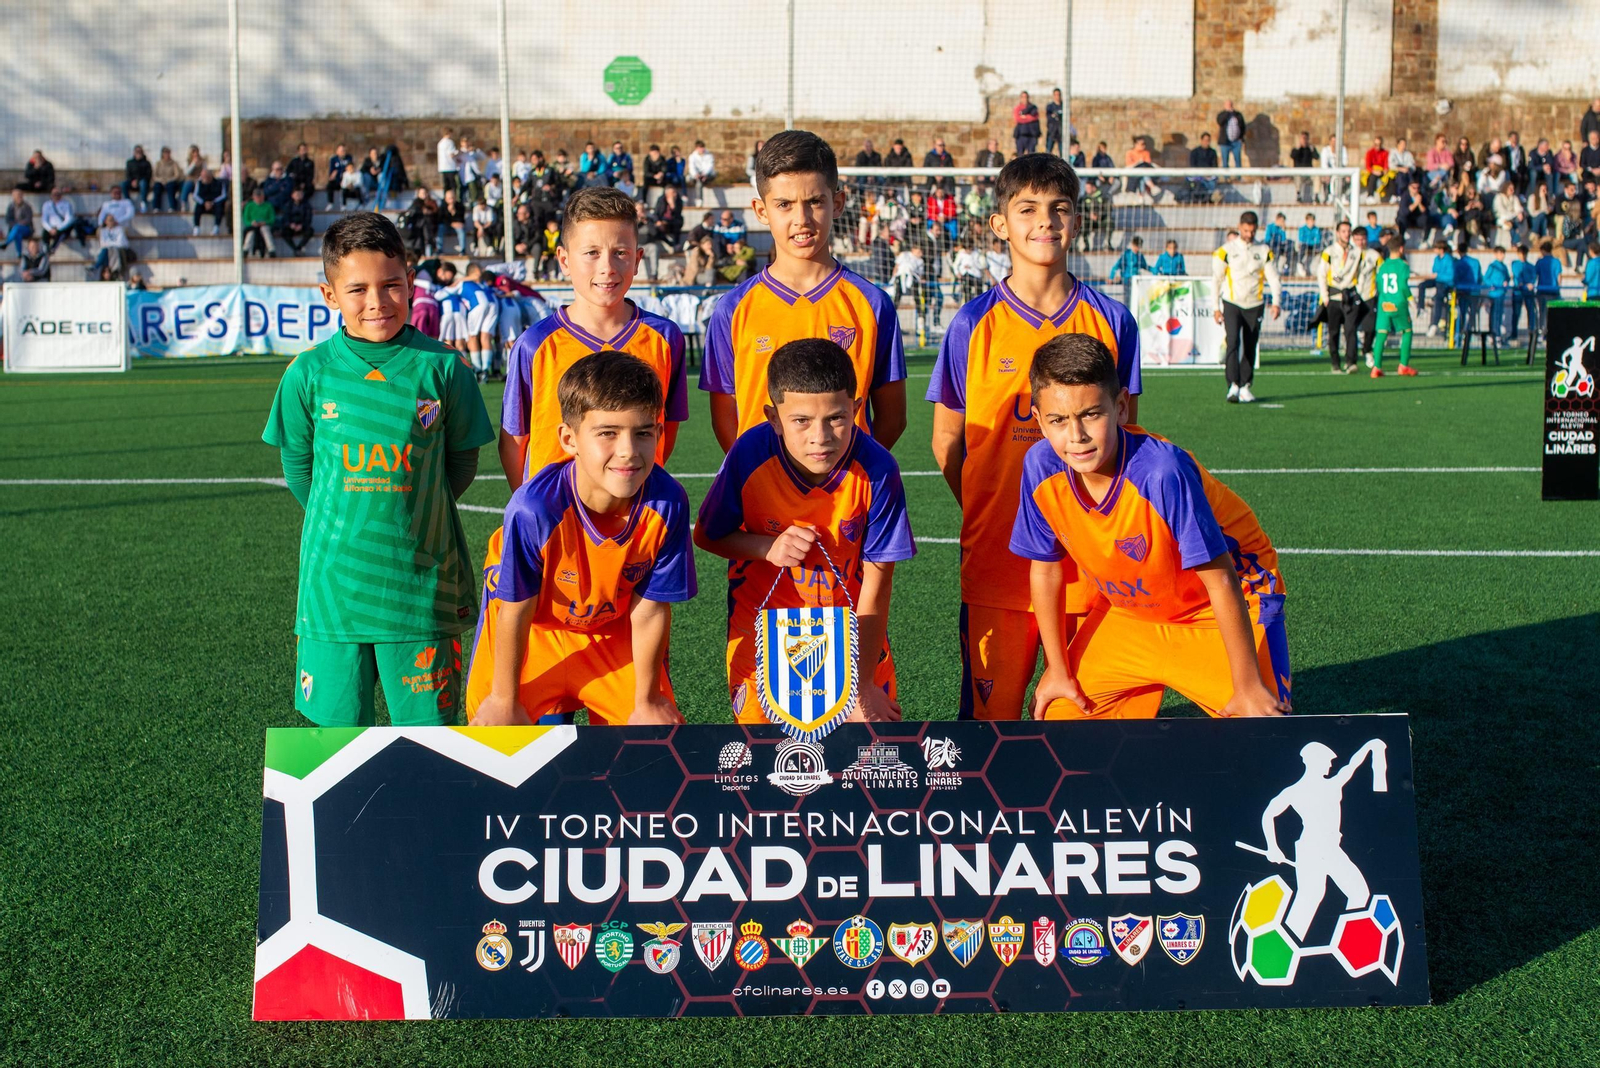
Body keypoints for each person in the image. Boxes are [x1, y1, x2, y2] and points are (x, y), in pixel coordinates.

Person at [927, 153, 1141, 721]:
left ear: (1076, 221)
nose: (1044, 221)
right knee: (987, 729)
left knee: (1080, 725)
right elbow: (947, 441)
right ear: (1000, 224)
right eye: (1027, 209)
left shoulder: (1112, 320)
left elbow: (1127, 438)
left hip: (1089, 569)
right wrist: (998, 509)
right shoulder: (973, 324)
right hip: (998, 563)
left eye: (1059, 209)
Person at [261, 213, 494, 727]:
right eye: (358, 289)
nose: (377, 302)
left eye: (391, 286)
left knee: (431, 746)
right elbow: (300, 471)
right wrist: (353, 517)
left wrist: (413, 510)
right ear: (329, 294)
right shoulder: (309, 372)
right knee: (335, 744)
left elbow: (462, 461)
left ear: (410, 281)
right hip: (333, 593)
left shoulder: (444, 367)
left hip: (419, 591)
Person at [1013, 333, 1290, 720]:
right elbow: (1045, 570)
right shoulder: (1040, 468)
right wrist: (1057, 670)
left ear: (1121, 406)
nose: (1075, 436)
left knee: (1263, 731)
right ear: (1039, 421)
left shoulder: (1163, 472)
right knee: (1063, 716)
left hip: (1222, 606)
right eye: (1059, 420)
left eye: (1091, 414)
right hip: (1133, 612)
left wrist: (1247, 688)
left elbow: (1221, 580)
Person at [469, 351, 694, 727]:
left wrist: (648, 699)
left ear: (658, 433)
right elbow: (516, 609)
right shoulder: (534, 509)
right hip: (534, 636)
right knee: (498, 739)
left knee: (653, 739)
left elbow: (650, 609)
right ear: (569, 439)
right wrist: (504, 699)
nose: (628, 451)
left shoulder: (667, 503)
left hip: (610, 635)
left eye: (642, 433)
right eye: (608, 433)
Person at [695, 338, 913, 725]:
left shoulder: (879, 469)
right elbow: (708, 535)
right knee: (765, 761)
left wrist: (861, 686)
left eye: (836, 417)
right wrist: (766, 547)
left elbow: (878, 587)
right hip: (762, 626)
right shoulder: (749, 454)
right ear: (773, 418)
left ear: (857, 410)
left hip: (849, 628)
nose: (820, 436)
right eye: (800, 421)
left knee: (868, 755)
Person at [701, 130, 907, 453]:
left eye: (815, 202)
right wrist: (756, 474)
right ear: (761, 211)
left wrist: (847, 465)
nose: (802, 219)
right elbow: (725, 418)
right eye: (784, 204)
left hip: (845, 499)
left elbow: (893, 418)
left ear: (837, 203)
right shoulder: (733, 309)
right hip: (762, 498)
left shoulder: (872, 305)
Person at [498, 187, 688, 492]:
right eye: (592, 253)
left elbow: (666, 430)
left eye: (620, 253)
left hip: (638, 514)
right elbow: (514, 442)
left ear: (638, 259)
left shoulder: (665, 339)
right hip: (557, 516)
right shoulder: (535, 344)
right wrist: (529, 505)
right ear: (564, 259)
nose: (607, 268)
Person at [1211, 211, 1282, 402]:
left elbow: (1273, 278)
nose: (1249, 234)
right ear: (1240, 226)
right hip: (1232, 303)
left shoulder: (1264, 251)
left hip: (1255, 304)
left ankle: (1245, 385)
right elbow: (1216, 280)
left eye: (1252, 231)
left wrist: (1276, 302)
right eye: (1245, 230)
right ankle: (1232, 385)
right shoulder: (1226, 250)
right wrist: (1215, 307)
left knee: (1251, 345)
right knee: (1232, 342)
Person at [1370, 236, 1422, 377]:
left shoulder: (1382, 266)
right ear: (1401, 248)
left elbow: (1378, 285)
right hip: (1398, 303)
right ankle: (1403, 366)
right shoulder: (1403, 265)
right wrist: (1412, 302)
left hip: (1384, 304)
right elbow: (1403, 286)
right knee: (1407, 331)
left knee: (1381, 334)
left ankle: (1376, 367)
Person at [1318, 220, 1364, 373]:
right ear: (1337, 233)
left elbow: (1361, 273)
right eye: (1343, 231)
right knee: (1334, 332)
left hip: (1350, 296)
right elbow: (1322, 273)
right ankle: (1335, 362)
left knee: (1351, 330)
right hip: (1334, 296)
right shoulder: (1329, 252)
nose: (1346, 234)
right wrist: (1325, 295)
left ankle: (1351, 362)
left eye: (1348, 231)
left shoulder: (1356, 252)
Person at [1108, 236, 1150, 306]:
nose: (1137, 248)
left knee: (1136, 297)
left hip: (1136, 280)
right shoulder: (1126, 254)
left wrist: (1156, 271)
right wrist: (1111, 277)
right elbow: (1117, 266)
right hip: (1127, 279)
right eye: (1136, 246)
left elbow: (1145, 266)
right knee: (1127, 298)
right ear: (1132, 245)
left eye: (1139, 247)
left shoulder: (1140, 256)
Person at [1507, 244, 1537, 342]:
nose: (1522, 256)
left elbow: (1533, 277)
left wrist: (1531, 284)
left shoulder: (1531, 266)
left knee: (1531, 312)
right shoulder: (1515, 264)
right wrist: (1523, 283)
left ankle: (1531, 332)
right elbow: (1517, 275)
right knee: (1516, 313)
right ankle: (1514, 334)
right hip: (1518, 292)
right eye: (1520, 254)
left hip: (1528, 292)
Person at [1534, 237, 1562, 338]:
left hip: (1542, 290)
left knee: (1542, 312)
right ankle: (1552, 331)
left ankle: (1543, 332)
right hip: (1554, 290)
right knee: (1553, 313)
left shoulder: (1540, 262)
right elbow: (1559, 277)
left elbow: (1535, 275)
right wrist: (1558, 288)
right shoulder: (1557, 261)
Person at [1483, 245, 1511, 341]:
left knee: (1498, 314)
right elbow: (1486, 278)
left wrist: (1506, 282)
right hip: (1494, 294)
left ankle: (1496, 333)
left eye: (1503, 253)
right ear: (1495, 254)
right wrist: (1492, 285)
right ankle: (1494, 333)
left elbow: (1507, 277)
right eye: (1500, 253)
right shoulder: (1493, 266)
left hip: (1501, 293)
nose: (1502, 255)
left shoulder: (1504, 266)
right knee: (1494, 314)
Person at [275, 187, 315, 254]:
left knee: (310, 231)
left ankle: (299, 247)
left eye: (300, 194)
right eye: (296, 194)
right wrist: (290, 225)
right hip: (291, 226)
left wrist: (301, 225)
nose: (298, 196)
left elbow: (308, 219)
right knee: (284, 232)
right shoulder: (288, 205)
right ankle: (295, 248)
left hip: (302, 226)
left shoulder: (307, 205)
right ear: (292, 195)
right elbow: (285, 218)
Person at [241, 187, 277, 258]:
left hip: (264, 225)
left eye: (260, 196)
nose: (258, 198)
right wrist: (252, 223)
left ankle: (271, 250)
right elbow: (246, 219)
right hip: (252, 225)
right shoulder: (249, 206)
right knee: (250, 233)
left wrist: (265, 222)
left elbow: (272, 219)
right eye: (256, 197)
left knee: (265, 230)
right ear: (253, 197)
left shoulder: (268, 206)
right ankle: (245, 249)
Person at [191, 168, 226, 236]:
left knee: (219, 207)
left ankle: (216, 227)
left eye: (206, 176)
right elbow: (195, 196)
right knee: (198, 206)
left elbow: (223, 196)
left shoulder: (219, 183)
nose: (204, 178)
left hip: (215, 204)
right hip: (203, 204)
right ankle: (196, 227)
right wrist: (204, 203)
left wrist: (212, 203)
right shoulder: (199, 183)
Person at [151, 147, 184, 212]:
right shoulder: (158, 163)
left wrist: (169, 180)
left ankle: (172, 206)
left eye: (168, 153)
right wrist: (161, 180)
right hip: (160, 181)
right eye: (165, 153)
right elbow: (154, 175)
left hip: (170, 181)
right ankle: (156, 207)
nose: (167, 155)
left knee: (171, 187)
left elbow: (177, 175)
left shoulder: (174, 163)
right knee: (157, 187)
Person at [122, 145, 153, 211]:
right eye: (137, 151)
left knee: (143, 183)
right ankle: (128, 203)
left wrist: (137, 181)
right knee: (123, 184)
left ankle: (143, 202)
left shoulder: (146, 163)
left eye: (140, 152)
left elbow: (148, 175)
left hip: (142, 182)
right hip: (132, 182)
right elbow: (128, 174)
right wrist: (132, 181)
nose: (138, 153)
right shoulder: (129, 163)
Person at [1216, 100, 1246, 168]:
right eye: (1228, 105)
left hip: (1236, 142)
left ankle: (1238, 177)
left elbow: (1242, 126)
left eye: (1230, 105)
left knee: (1238, 160)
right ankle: (1226, 178)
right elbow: (1220, 121)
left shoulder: (1238, 115)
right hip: (1225, 142)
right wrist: (1227, 113)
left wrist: (1241, 138)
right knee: (1225, 161)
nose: (1230, 106)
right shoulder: (1222, 114)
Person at [3, 190, 33, 258]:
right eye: (17, 196)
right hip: (15, 229)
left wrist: (19, 224)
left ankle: (7, 243)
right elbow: (8, 219)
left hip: (26, 228)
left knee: (17, 228)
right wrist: (15, 225)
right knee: (17, 234)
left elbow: (28, 219)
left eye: (20, 195)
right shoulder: (11, 206)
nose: (19, 197)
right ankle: (19, 254)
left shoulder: (27, 206)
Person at [1013, 91, 1042, 157]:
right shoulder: (1017, 108)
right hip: (1021, 135)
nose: (1024, 99)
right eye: (1023, 97)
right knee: (1020, 155)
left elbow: (1035, 117)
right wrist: (1029, 117)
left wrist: (1025, 117)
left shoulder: (1033, 107)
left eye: (1026, 97)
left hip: (1031, 135)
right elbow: (1018, 119)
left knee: (1031, 155)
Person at [1296, 213, 1322, 278]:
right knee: (1302, 246)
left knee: (1321, 248)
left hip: (1314, 246)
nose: (1312, 222)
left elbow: (1318, 240)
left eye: (1313, 220)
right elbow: (1301, 239)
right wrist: (1311, 241)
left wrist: (1309, 241)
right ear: (1307, 221)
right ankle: (1299, 263)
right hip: (1305, 245)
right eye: (1310, 220)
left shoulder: (1316, 229)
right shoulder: (1302, 229)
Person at [437, 128, 460, 198]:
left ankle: (446, 198)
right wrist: (458, 152)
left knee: (446, 186)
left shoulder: (440, 143)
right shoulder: (450, 142)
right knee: (453, 186)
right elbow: (451, 155)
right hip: (450, 167)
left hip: (443, 167)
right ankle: (454, 198)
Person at [1045, 88, 1065, 156]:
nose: (1057, 96)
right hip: (1052, 131)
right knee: (1048, 151)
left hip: (1061, 132)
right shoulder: (1050, 106)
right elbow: (1049, 117)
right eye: (1056, 95)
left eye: (1058, 95)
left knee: (1063, 151)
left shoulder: (1064, 106)